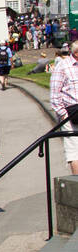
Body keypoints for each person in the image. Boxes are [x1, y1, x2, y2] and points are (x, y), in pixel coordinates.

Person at [50, 40, 78, 175]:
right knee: (74, 151)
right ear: (76, 53)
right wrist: (64, 116)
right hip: (71, 114)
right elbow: (55, 94)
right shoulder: (63, 66)